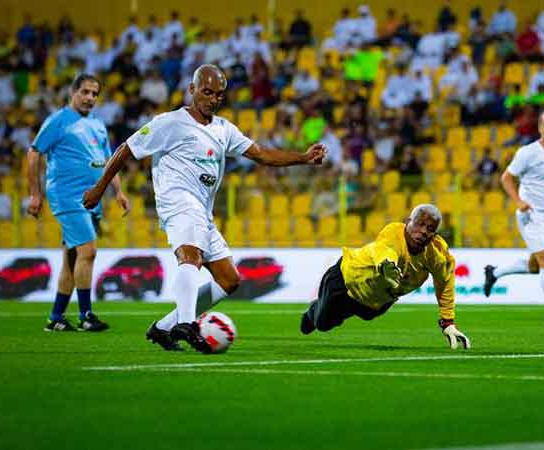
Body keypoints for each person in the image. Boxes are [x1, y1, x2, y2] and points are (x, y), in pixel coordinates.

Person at [83, 65, 326, 352]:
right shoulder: (170, 122)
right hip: (177, 201)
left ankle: (163, 327)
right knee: (190, 256)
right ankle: (186, 324)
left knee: (229, 279)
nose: (212, 99)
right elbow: (126, 148)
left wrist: (303, 158)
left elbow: (261, 155)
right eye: (207, 92)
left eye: (218, 95)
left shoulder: (223, 129)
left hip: (202, 210)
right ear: (192, 90)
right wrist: (100, 188)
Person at [27, 73, 130, 332]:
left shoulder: (96, 124)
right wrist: (35, 194)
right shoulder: (59, 120)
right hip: (67, 196)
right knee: (88, 252)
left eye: (95, 94)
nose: (90, 98)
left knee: (72, 259)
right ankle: (86, 315)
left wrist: (118, 192)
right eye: (85, 92)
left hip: (90, 199)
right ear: (73, 93)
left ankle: (55, 317)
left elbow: (109, 162)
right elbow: (34, 152)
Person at [300, 204, 471, 349]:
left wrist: (448, 322)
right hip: (346, 280)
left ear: (435, 235)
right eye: (420, 224)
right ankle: (312, 312)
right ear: (408, 222)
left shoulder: (438, 256)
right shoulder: (393, 232)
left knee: (359, 314)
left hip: (374, 304)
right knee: (323, 323)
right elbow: (384, 250)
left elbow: (445, 285)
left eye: (430, 229)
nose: (424, 232)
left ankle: (333, 311)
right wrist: (386, 265)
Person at [483, 111, 544, 322]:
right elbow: (506, 178)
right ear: (540, 129)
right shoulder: (527, 153)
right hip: (531, 215)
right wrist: (519, 202)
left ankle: (495, 273)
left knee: (535, 265)